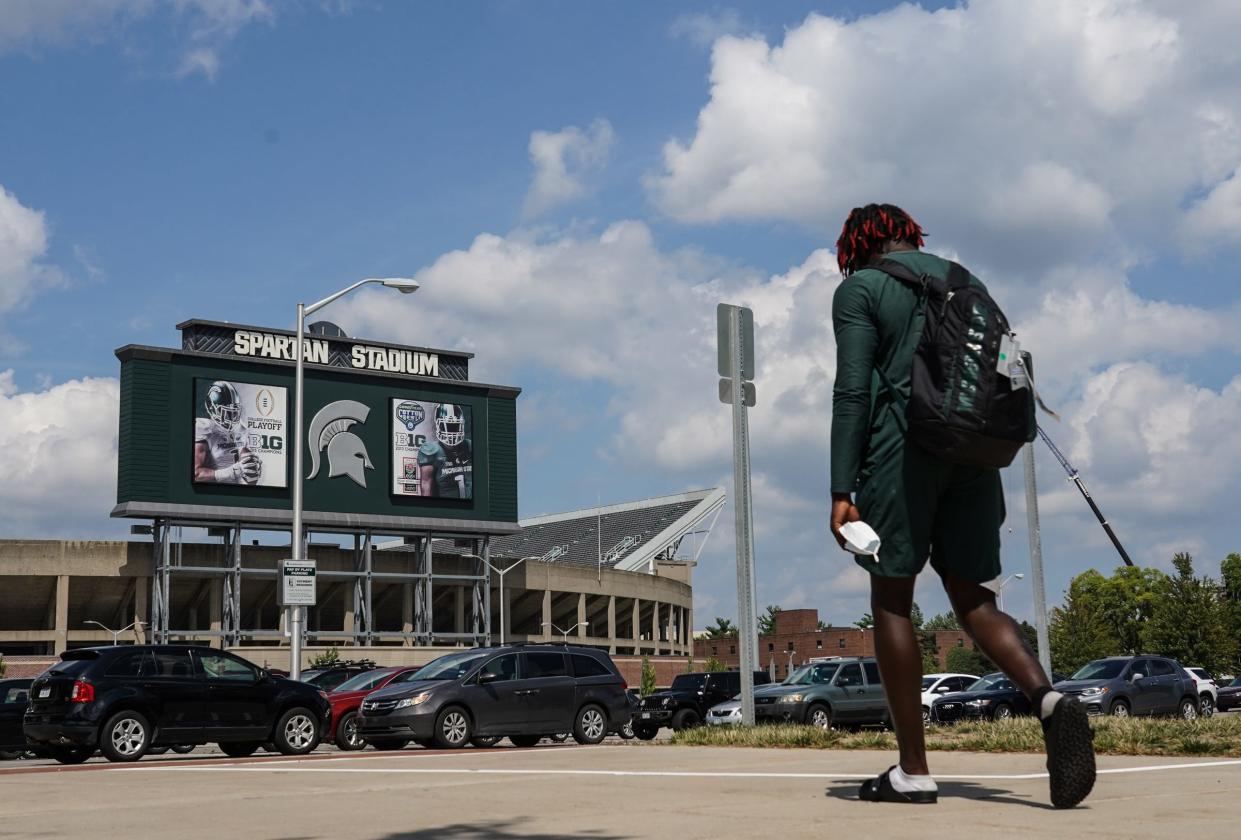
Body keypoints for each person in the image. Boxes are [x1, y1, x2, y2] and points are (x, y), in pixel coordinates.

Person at [828, 203, 1095, 808]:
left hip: (902, 454)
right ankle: (1048, 701)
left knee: (892, 597)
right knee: (975, 597)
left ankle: (914, 771)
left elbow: (853, 389)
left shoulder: (864, 291)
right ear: (909, 236)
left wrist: (842, 490)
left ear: (858, 248)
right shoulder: (963, 280)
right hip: (974, 454)